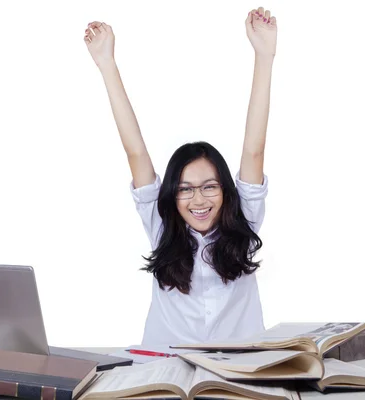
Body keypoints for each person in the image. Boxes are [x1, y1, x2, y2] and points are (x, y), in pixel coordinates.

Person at [84, 6, 277, 345]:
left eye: (209, 187)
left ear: (226, 191)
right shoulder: (161, 224)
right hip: (165, 372)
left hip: (239, 374)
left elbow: (253, 150)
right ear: (172, 195)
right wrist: (106, 64)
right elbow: (136, 152)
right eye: (185, 189)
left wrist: (265, 56)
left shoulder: (244, 220)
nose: (198, 200)